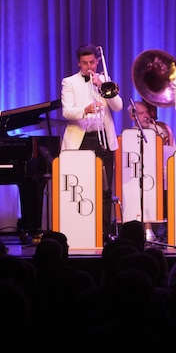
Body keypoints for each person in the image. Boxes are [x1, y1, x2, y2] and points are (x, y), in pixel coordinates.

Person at [61, 44, 123, 238]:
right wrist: (85, 109)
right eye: (85, 63)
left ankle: (104, 231)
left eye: (92, 63)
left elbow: (118, 106)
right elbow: (66, 111)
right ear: (79, 63)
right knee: (82, 187)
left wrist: (101, 86)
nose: (89, 67)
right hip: (81, 139)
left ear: (97, 62)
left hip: (103, 139)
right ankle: (80, 229)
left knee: (105, 188)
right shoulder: (69, 82)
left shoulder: (104, 80)